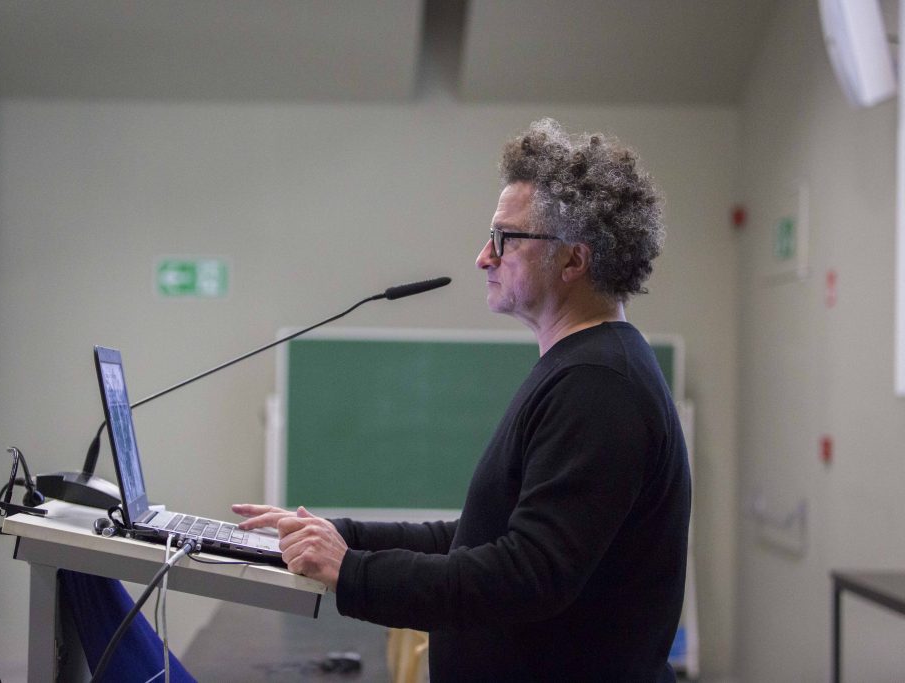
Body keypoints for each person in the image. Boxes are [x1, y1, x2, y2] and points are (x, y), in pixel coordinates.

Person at [234, 118, 691, 682]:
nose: (483, 257)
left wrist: (352, 572)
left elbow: (528, 576)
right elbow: (479, 536)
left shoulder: (599, 383)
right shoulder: (584, 367)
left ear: (573, 261)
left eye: (504, 239)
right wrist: (338, 535)